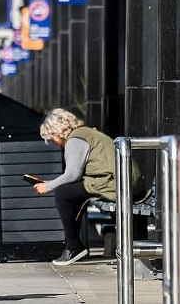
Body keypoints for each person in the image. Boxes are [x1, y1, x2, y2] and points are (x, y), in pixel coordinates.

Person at [33, 108, 131, 266]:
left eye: (51, 138)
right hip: (118, 179)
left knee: (63, 194)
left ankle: (74, 246)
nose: (53, 143)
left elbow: (72, 174)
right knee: (70, 192)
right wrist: (48, 183)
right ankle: (74, 246)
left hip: (113, 182)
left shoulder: (75, 140)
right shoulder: (85, 133)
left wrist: (48, 187)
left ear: (56, 131)